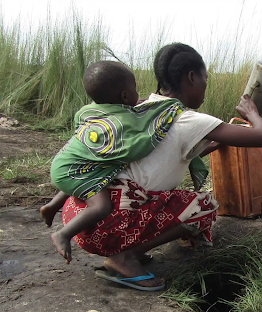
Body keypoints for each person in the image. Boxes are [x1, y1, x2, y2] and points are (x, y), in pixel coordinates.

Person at [60, 42, 262, 291]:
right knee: (203, 206)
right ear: (192, 78)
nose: (206, 86)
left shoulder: (138, 108)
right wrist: (252, 113)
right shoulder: (187, 120)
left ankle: (129, 250)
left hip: (79, 219)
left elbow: (170, 152)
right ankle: (124, 258)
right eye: (205, 79)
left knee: (144, 193)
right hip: (108, 228)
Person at [41, 60, 189, 265]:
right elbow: (136, 140)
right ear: (124, 96)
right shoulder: (119, 123)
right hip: (78, 171)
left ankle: (52, 206)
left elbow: (129, 109)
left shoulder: (92, 111)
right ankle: (64, 234)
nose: (138, 94)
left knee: (90, 176)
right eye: (134, 89)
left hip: (67, 164)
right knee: (101, 205)